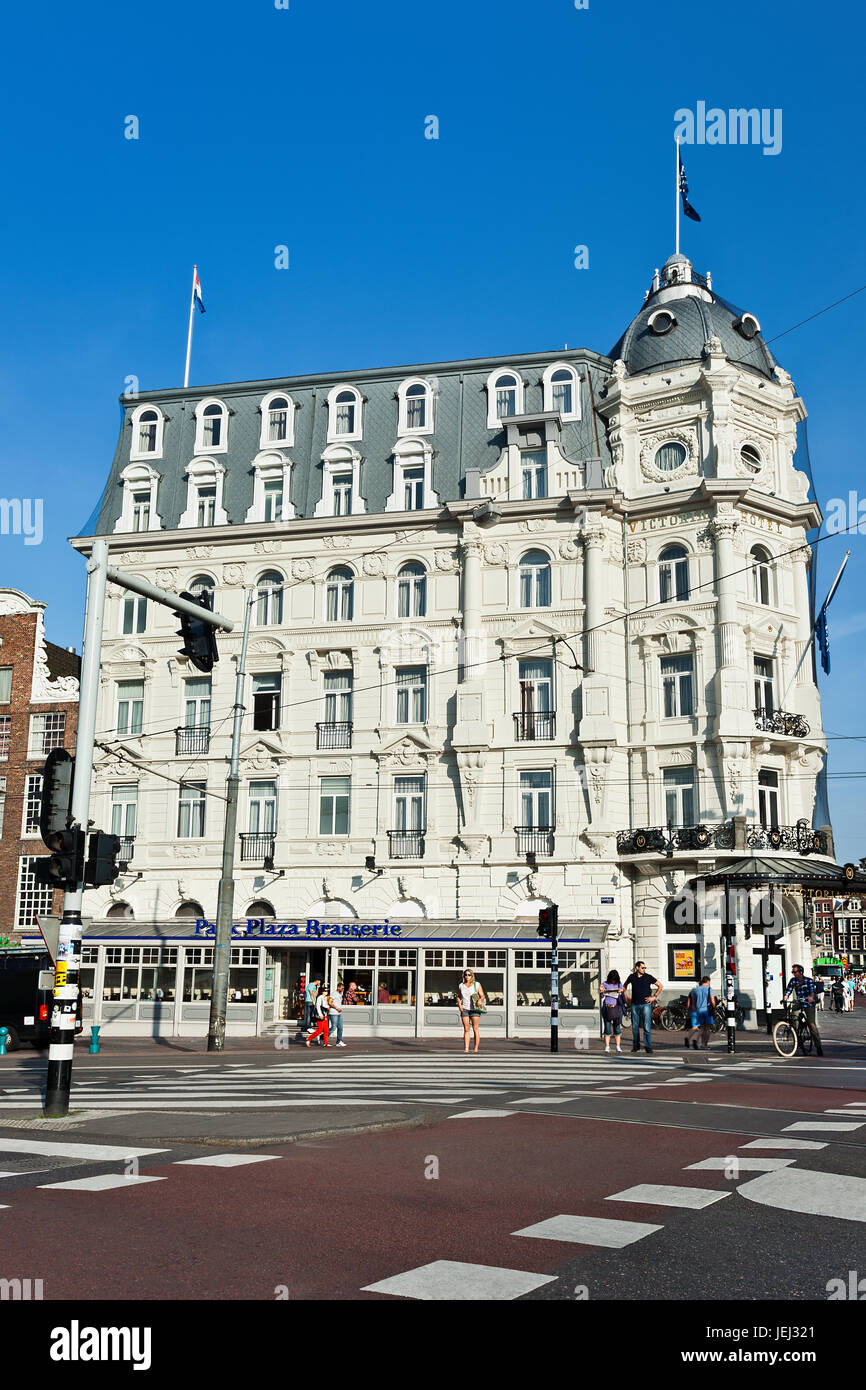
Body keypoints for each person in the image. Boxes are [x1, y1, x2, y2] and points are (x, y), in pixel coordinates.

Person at [782, 964, 824, 1056]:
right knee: (792, 1013)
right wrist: (785, 998)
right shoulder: (793, 981)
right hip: (799, 1002)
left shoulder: (809, 980)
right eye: (792, 972)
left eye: (795, 972)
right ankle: (795, 1030)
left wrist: (811, 997)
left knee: (812, 1025)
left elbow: (812, 991)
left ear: (800, 972)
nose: (793, 973)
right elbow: (788, 990)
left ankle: (818, 1046)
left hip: (809, 1003)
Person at [623, 961, 662, 1054]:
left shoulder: (648, 977)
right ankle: (636, 1046)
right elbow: (624, 986)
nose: (644, 969)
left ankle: (648, 1047)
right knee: (635, 1027)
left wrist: (654, 997)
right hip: (634, 1005)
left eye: (645, 968)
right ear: (637, 968)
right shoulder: (631, 977)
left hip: (646, 1005)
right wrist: (627, 997)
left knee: (646, 1026)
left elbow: (660, 986)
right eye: (642, 968)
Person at [457, 969, 486, 1053]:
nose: (467, 976)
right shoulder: (461, 985)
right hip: (465, 1008)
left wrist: (480, 1000)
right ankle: (466, 1048)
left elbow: (482, 995)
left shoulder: (477, 984)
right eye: (466, 975)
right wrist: (459, 1004)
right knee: (466, 1029)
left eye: (469, 975)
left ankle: (476, 1048)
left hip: (475, 1009)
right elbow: (458, 996)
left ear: (472, 975)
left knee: (475, 1028)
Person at [684, 975, 715, 1051]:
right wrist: (714, 1007)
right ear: (708, 981)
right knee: (707, 1029)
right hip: (707, 1010)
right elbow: (712, 1000)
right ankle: (704, 1044)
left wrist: (695, 1009)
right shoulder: (709, 989)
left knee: (701, 1027)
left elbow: (693, 1002)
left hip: (698, 1011)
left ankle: (698, 1042)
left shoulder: (696, 990)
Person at [600, 969, 625, 1054]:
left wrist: (621, 992)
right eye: (611, 980)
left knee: (617, 1028)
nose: (613, 981)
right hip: (607, 1007)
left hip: (617, 1008)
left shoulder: (619, 984)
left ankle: (618, 1046)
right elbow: (601, 996)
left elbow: (622, 995)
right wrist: (602, 991)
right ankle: (607, 1046)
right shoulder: (604, 984)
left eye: (614, 980)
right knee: (607, 1028)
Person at [305, 983, 331, 1048]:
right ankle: (309, 1039)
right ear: (322, 991)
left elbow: (325, 1005)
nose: (326, 992)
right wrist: (320, 1015)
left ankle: (326, 1043)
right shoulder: (320, 997)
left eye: (327, 991)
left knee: (326, 1030)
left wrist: (328, 1006)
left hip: (325, 1015)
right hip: (320, 1016)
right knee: (319, 1030)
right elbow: (318, 1006)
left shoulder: (325, 998)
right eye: (325, 991)